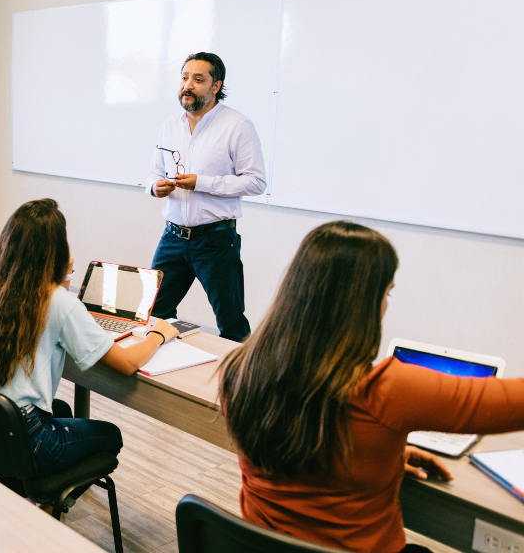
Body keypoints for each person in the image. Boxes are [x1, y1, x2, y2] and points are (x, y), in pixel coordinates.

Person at [219, 221, 524, 553]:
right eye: (387, 292)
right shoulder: (388, 390)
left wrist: (381, 456)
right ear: (362, 302)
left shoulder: (239, 370)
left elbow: (302, 441)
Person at [0, 199, 178, 504]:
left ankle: (42, 498)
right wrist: (157, 336)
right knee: (110, 435)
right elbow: (126, 363)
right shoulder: (56, 300)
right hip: (24, 434)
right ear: (55, 250)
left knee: (61, 412)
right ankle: (50, 504)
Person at [145, 52, 266, 342]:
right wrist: (154, 187)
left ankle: (238, 385)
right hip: (172, 237)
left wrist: (202, 183)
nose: (188, 85)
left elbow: (256, 182)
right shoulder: (170, 125)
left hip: (215, 241)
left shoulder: (237, 125)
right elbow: (152, 173)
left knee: (231, 322)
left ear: (215, 86)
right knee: (153, 313)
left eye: (198, 80)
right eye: (185, 78)